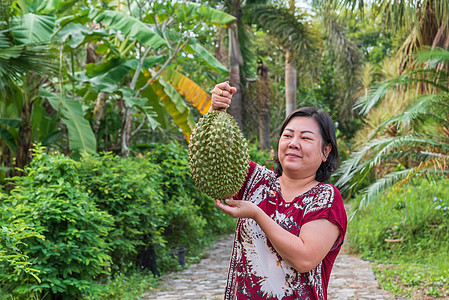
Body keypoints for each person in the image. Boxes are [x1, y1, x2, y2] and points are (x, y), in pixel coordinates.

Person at [209, 81, 347, 300]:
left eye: (306, 138)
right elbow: (214, 156)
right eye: (287, 135)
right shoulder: (256, 180)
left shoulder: (325, 197)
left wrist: (256, 213)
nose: (293, 143)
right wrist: (216, 109)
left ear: (325, 151)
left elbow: (304, 259)